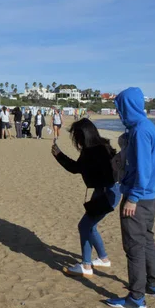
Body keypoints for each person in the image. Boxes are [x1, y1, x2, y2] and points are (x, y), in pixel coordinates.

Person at [105, 87, 155, 308]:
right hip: (150, 198)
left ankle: (136, 298)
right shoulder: (144, 127)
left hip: (138, 198)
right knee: (147, 240)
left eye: (120, 107)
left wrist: (133, 198)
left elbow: (144, 169)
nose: (119, 113)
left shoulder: (140, 130)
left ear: (128, 106)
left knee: (134, 247)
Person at [51, 119, 121, 278]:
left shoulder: (93, 151)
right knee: (91, 226)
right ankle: (103, 259)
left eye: (76, 136)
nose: (76, 140)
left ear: (83, 136)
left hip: (106, 193)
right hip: (110, 191)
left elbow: (76, 168)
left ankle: (86, 266)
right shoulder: (102, 145)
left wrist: (59, 155)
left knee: (84, 226)